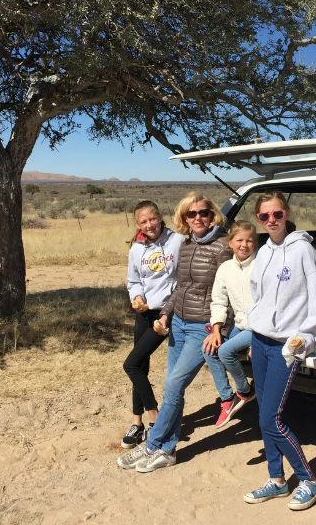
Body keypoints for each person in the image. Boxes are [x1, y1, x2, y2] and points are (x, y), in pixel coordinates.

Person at [117, 192, 232, 472]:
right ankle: (164, 446)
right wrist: (163, 311)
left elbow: (229, 289)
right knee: (164, 383)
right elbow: (178, 286)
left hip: (201, 326)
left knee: (171, 385)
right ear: (184, 218)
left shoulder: (218, 247)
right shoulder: (188, 245)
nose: (197, 218)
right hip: (175, 318)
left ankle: (152, 443)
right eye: (191, 215)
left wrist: (220, 327)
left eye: (203, 213)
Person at [243, 191, 316, 511]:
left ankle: (309, 479)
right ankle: (276, 480)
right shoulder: (264, 251)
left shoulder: (303, 250)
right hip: (261, 340)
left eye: (277, 215)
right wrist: (255, 328)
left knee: (271, 418)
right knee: (263, 416)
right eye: (264, 217)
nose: (271, 221)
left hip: (285, 346)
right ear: (258, 219)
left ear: (287, 214)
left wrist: (305, 339)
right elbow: (258, 295)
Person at [121, 200, 185, 448]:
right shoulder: (136, 248)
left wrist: (162, 308)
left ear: (160, 217)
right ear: (138, 224)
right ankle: (137, 425)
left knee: (131, 364)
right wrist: (136, 297)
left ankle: (154, 418)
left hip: (166, 314)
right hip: (144, 314)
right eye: (143, 222)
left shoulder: (176, 241)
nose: (149, 225)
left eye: (152, 219)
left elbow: (182, 278)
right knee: (140, 367)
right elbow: (133, 280)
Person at [202, 219, 258, 429]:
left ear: (255, 243)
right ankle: (227, 397)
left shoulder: (260, 265)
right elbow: (218, 300)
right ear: (230, 243)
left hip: (258, 327)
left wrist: (259, 339)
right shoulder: (225, 268)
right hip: (241, 324)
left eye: (250, 240)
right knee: (209, 349)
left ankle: (244, 391)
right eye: (240, 240)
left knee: (225, 351)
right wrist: (216, 329)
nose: (245, 245)